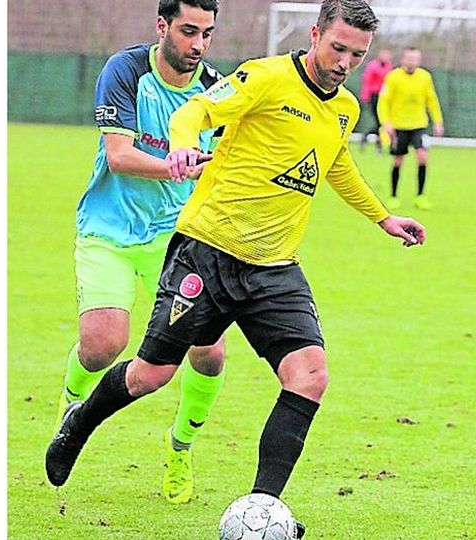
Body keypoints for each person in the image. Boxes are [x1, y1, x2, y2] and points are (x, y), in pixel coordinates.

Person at [45, 0, 426, 535]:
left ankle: (262, 509)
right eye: (337, 47)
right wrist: (179, 149)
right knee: (152, 374)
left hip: (275, 267)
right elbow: (194, 112)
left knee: (309, 377)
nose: (344, 62)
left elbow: (336, 162)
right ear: (315, 33)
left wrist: (382, 217)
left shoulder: (344, 108)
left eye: (356, 55)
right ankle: (78, 422)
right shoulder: (263, 77)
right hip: (209, 250)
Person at [54, 0, 227, 505]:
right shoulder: (125, 70)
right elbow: (119, 155)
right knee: (104, 345)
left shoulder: (215, 89)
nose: (198, 45)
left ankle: (180, 448)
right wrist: (180, 166)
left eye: (208, 34)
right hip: (108, 228)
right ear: (162, 26)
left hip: (176, 237)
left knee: (210, 353)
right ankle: (71, 409)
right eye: (189, 31)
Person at [377, 46, 444, 210]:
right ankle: (393, 196)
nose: (413, 62)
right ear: (403, 59)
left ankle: (420, 196)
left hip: (419, 125)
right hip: (399, 126)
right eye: (410, 58)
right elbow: (383, 101)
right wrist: (386, 123)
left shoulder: (425, 77)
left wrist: (438, 121)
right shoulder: (393, 77)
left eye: (416, 59)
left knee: (422, 157)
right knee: (398, 160)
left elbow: (431, 100)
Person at [358, 48, 392, 153]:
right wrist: (365, 96)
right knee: (379, 122)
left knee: (381, 123)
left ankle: (369, 139)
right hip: (374, 96)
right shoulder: (373, 66)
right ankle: (376, 144)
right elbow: (366, 81)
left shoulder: (389, 67)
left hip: (384, 96)